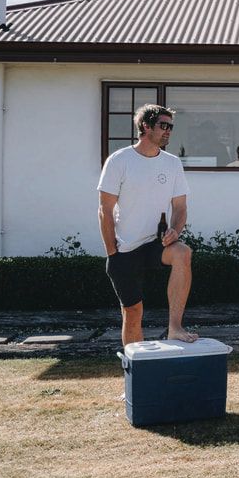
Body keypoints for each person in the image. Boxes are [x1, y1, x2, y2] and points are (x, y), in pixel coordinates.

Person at [97, 104, 198, 347]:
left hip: (155, 244)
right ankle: (134, 374)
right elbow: (105, 210)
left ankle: (175, 327)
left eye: (171, 127)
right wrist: (112, 252)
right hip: (124, 249)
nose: (168, 132)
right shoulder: (119, 160)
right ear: (145, 126)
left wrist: (175, 230)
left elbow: (181, 207)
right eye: (163, 126)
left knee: (183, 252)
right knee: (133, 314)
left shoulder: (172, 163)